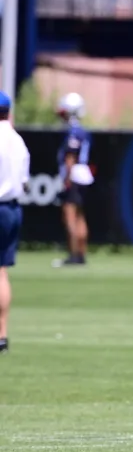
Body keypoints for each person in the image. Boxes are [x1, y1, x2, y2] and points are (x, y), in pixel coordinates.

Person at [0, 91, 31, 353]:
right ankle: (2, 335)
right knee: (1, 272)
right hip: (11, 209)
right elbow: (24, 182)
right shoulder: (17, 140)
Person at [52, 92, 93, 267]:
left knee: (69, 216)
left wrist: (67, 178)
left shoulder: (73, 132)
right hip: (84, 175)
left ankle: (74, 255)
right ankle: (81, 254)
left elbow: (70, 156)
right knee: (80, 216)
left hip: (75, 175)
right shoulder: (83, 131)